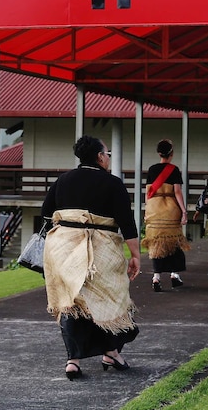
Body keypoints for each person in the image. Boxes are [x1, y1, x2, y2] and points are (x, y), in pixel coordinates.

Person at [41, 135, 141, 381]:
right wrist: (136, 254)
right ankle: (111, 351)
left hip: (62, 249)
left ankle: (73, 361)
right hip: (100, 250)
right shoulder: (113, 183)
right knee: (112, 298)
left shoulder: (62, 181)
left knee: (72, 303)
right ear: (99, 157)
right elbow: (127, 224)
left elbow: (45, 214)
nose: (108, 158)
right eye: (108, 154)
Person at [142, 139, 190, 292]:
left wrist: (147, 210)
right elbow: (177, 192)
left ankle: (156, 277)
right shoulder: (174, 170)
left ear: (159, 153)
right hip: (170, 209)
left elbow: (148, 192)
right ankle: (174, 275)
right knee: (173, 243)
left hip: (154, 208)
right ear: (171, 154)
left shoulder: (151, 169)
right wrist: (183, 211)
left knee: (156, 245)